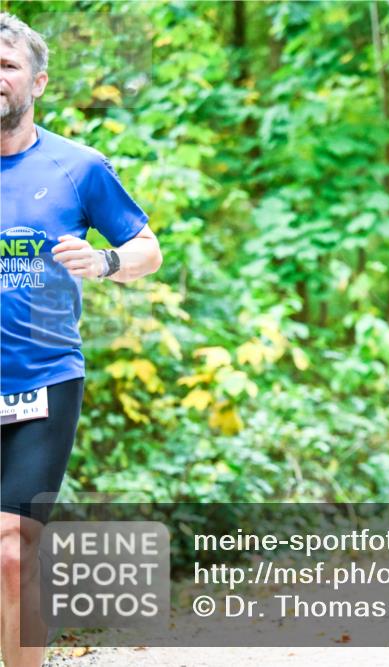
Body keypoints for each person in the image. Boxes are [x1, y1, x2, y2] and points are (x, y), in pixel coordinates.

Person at [0, 13, 162, 667]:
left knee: (13, 550)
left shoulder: (78, 167)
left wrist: (105, 262)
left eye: (6, 65)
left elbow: (147, 248)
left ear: (37, 81)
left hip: (44, 380)